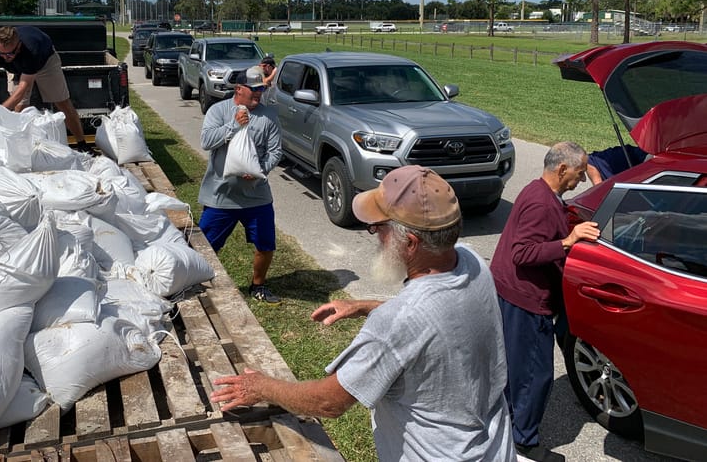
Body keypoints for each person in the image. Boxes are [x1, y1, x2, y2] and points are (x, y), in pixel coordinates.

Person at [210, 166, 517, 462]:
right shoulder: (471, 261)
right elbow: (438, 319)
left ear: (410, 243)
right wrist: (365, 306)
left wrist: (262, 387)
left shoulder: (398, 321)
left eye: (378, 227)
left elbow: (329, 402)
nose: (374, 235)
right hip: (494, 447)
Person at [490, 141, 600, 460]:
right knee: (535, 374)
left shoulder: (538, 192)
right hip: (525, 299)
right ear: (561, 168)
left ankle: (508, 427)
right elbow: (522, 253)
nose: (579, 180)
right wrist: (568, 241)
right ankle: (523, 442)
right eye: (578, 173)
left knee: (514, 368)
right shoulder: (541, 203)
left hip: (509, 292)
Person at [198, 65, 284, 303]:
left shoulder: (270, 115)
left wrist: (260, 170)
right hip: (221, 195)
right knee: (205, 245)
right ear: (239, 88)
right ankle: (197, 283)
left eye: (261, 89)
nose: (259, 93)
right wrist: (234, 125)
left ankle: (258, 286)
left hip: (257, 196)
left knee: (265, 244)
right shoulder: (218, 111)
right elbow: (206, 142)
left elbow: (276, 151)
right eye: (254, 89)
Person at [0, 25, 89, 148]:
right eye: (1, 53)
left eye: (9, 54)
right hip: (16, 68)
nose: (5, 57)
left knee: (62, 102)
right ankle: (20, 150)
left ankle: (82, 143)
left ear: (18, 46)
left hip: (45, 63)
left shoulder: (32, 49)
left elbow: (23, 87)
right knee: (19, 110)